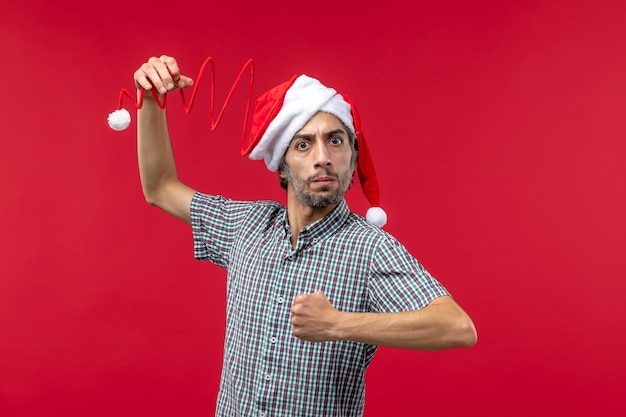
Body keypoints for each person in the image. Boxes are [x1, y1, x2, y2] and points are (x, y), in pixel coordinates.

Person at [134, 54, 477, 417]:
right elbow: (159, 187)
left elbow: (457, 327)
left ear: (352, 156)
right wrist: (151, 99)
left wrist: (338, 324)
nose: (322, 158)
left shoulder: (369, 249)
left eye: (335, 141)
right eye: (303, 144)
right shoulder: (246, 227)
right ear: (283, 163)